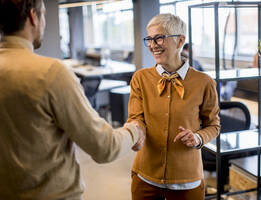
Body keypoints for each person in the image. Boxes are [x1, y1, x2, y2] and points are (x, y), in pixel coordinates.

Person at [0, 1, 144, 199]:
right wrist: (134, 131)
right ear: (33, 16)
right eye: (43, 15)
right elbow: (104, 147)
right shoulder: (51, 73)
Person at [127, 13, 220, 200]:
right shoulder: (140, 78)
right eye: (149, 39)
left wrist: (197, 137)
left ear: (180, 41)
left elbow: (214, 125)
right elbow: (136, 117)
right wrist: (136, 130)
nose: (153, 45)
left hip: (187, 179)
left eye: (159, 38)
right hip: (146, 176)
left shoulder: (204, 82)